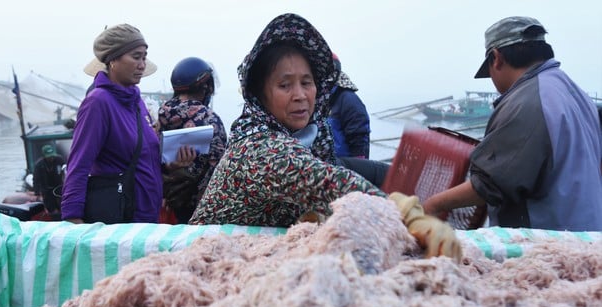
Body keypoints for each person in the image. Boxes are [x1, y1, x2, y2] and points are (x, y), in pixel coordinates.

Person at [189, 13, 461, 260]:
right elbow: (328, 182)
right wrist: (408, 215)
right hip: (207, 256)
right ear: (260, 95)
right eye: (285, 85)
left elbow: (337, 169)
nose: (300, 95)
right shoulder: (258, 147)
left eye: (306, 82)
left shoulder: (308, 137)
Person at [423, 16, 602, 231]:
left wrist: (433, 205)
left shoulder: (528, 100)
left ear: (496, 58)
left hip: (548, 243)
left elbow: (491, 184)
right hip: (588, 235)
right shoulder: (574, 92)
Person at [61, 23, 163, 224]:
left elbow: (144, 158)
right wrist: (73, 219)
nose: (142, 64)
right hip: (120, 221)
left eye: (144, 57)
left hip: (147, 217)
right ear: (113, 60)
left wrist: (175, 165)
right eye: (136, 57)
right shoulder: (98, 102)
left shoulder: (138, 103)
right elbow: (79, 164)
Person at [158, 57, 227, 223]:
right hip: (197, 210)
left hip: (161, 203)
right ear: (205, 86)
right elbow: (217, 169)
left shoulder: (161, 115)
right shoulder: (210, 120)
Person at [328, 53, 371, 159]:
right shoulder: (321, 98)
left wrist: (359, 167)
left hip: (344, 166)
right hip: (325, 167)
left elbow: (359, 137)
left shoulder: (348, 99)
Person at [32, 143, 65, 218]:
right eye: (48, 157)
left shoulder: (60, 160)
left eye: (52, 156)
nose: (51, 158)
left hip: (59, 187)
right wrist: (37, 193)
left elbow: (66, 171)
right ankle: (54, 217)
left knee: (62, 205)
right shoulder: (39, 165)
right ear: (44, 156)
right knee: (51, 208)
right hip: (46, 190)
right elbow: (36, 179)